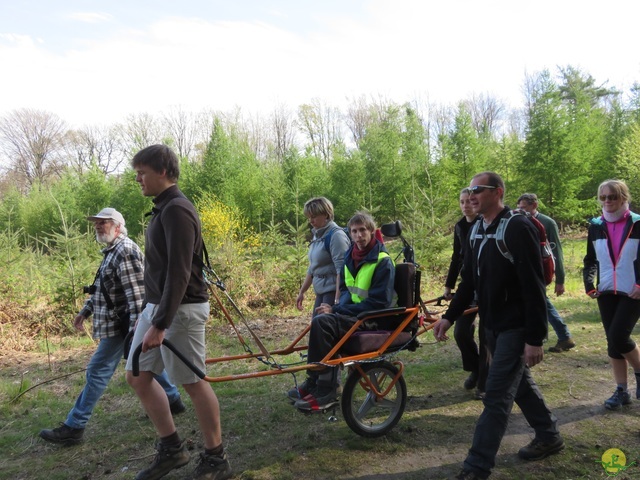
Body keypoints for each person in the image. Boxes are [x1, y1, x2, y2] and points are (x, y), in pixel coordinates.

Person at [433, 172, 564, 480]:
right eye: (469, 190)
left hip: (516, 327)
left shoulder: (516, 228)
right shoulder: (477, 229)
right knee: (519, 385)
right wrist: (449, 317)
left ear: (498, 192)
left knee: (496, 396)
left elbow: (533, 287)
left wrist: (535, 338)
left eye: (478, 190)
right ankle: (548, 435)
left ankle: (476, 467)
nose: (472, 195)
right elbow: (469, 281)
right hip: (490, 325)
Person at [125, 145, 232, 480]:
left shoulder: (177, 210)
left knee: (193, 382)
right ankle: (172, 449)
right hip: (157, 308)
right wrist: (151, 314)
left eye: (142, 172)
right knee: (137, 376)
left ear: (164, 171)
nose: (138, 179)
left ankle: (216, 458)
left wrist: (160, 323)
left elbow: (179, 273)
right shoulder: (163, 209)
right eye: (136, 172)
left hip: (180, 311)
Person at [39, 208, 185, 446]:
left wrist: (138, 330)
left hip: (123, 325)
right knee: (144, 365)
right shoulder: (112, 251)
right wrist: (85, 312)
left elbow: (138, 294)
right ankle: (173, 400)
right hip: (119, 324)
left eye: (103, 222)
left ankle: (74, 426)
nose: (97, 226)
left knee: (98, 371)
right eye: (96, 223)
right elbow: (104, 289)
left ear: (118, 226)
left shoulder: (125, 251)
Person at [288, 211, 396, 410]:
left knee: (323, 323)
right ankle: (314, 380)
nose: (358, 236)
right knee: (321, 316)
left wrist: (341, 310)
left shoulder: (382, 261)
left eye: (362, 230)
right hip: (355, 314)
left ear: (371, 231)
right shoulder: (351, 256)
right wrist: (335, 308)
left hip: (373, 318)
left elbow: (380, 302)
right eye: (354, 231)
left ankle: (326, 388)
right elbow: (346, 290)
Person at [583, 179, 640, 411]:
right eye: (603, 197)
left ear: (623, 198)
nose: (607, 201)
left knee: (619, 336)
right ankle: (622, 390)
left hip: (633, 291)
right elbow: (591, 259)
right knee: (612, 343)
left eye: (613, 197)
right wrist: (589, 283)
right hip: (606, 290)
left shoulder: (637, 223)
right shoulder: (596, 226)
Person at [517, 193, 576, 353]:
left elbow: (556, 250)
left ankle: (563, 336)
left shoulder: (547, 223)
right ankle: (555, 336)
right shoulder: (519, 221)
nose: (520, 210)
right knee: (538, 303)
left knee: (542, 303)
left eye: (524, 207)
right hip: (526, 270)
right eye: (519, 207)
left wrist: (560, 279)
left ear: (534, 205)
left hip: (541, 271)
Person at [443, 188, 487, 399]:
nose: (465, 205)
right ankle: (476, 368)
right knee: (461, 332)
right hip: (467, 285)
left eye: (469, 201)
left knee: (486, 336)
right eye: (461, 202)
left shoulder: (485, 222)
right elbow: (456, 257)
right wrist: (449, 285)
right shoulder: (460, 226)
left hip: (487, 285)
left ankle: (485, 382)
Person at [295, 197, 351, 318]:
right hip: (320, 291)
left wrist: (337, 301)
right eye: (309, 217)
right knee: (317, 328)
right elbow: (312, 268)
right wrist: (302, 292)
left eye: (313, 216)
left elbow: (341, 271)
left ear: (326, 215)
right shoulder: (318, 235)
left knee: (326, 330)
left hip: (332, 293)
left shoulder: (336, 236)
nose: (310, 220)